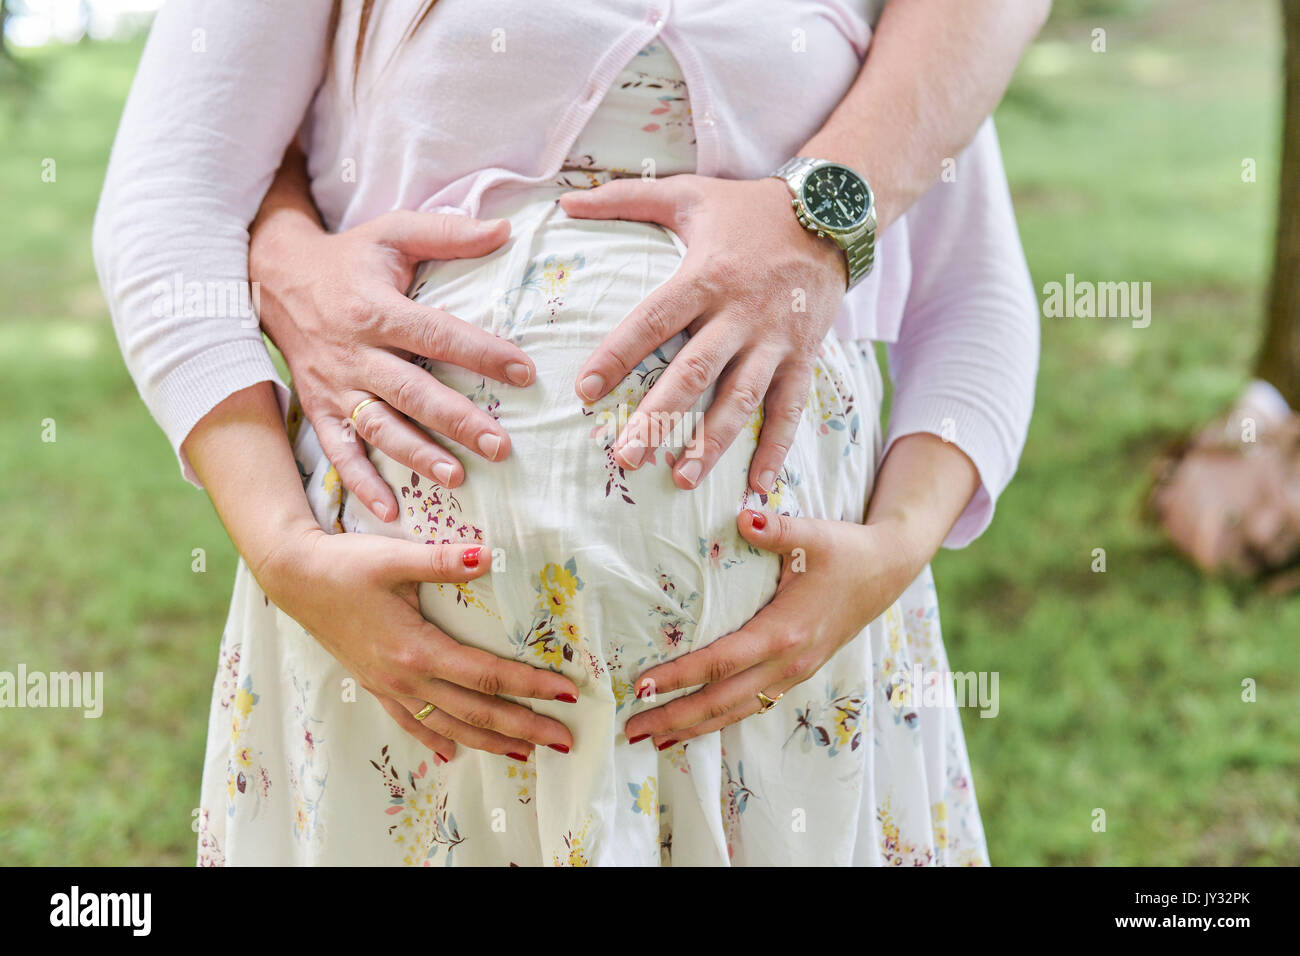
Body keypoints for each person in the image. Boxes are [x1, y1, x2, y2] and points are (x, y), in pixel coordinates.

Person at [94, 0, 1044, 865]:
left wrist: (895, 548)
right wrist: (283, 547)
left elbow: (974, 293)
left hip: (782, 694)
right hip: (405, 692)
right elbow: (172, 202)